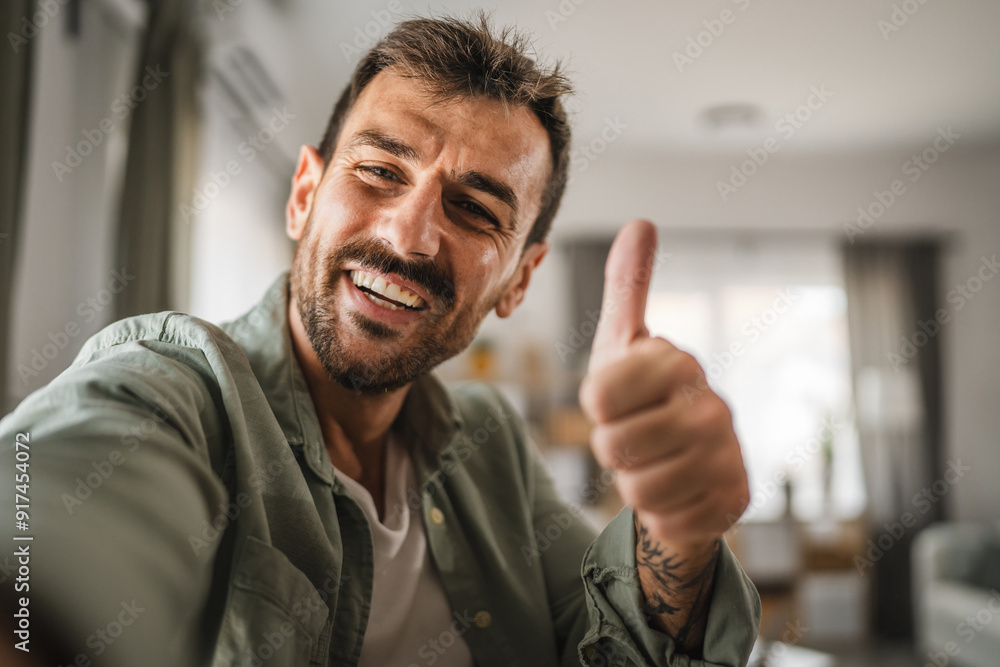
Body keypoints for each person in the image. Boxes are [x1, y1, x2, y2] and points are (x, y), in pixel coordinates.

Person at [0, 13, 759, 667]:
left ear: (518, 283)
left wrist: (678, 539)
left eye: (473, 208)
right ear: (304, 196)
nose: (410, 232)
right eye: (377, 170)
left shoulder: (490, 445)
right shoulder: (174, 390)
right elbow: (41, 541)